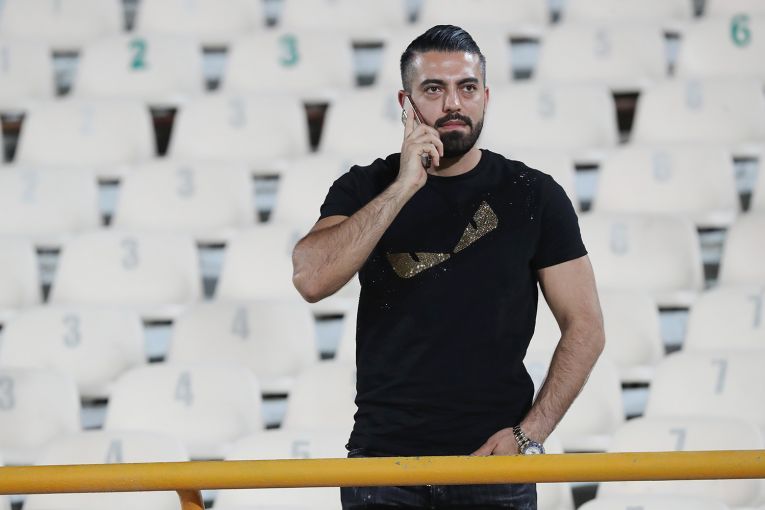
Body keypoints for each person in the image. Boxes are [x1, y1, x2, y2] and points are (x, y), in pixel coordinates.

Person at [292, 25, 605, 510]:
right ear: (406, 103)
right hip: (383, 464)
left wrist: (529, 434)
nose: (453, 103)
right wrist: (403, 186)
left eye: (468, 88)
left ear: (486, 97)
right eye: (434, 89)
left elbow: (585, 326)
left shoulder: (534, 194)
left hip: (493, 466)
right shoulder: (365, 186)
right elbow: (311, 279)